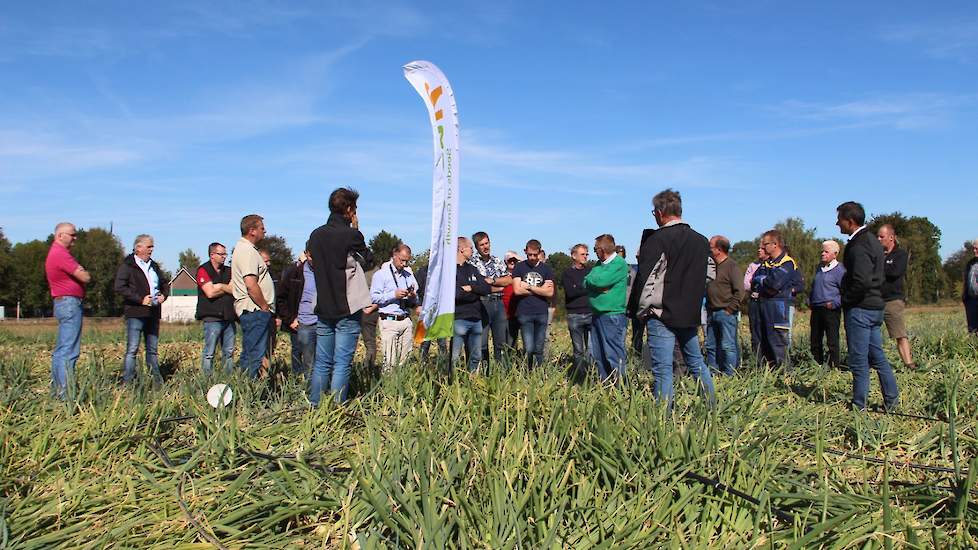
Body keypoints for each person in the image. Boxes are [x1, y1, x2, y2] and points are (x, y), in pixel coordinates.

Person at [628, 189, 715, 407]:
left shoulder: (658, 240)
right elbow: (710, 273)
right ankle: (711, 408)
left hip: (661, 314)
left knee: (663, 370)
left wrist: (642, 311)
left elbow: (646, 279)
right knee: (697, 363)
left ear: (659, 212)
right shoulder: (701, 240)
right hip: (689, 312)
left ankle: (663, 419)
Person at [307, 187, 374, 405]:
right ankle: (336, 408)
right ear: (348, 209)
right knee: (342, 362)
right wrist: (356, 228)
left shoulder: (315, 235)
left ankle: (316, 405)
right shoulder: (351, 235)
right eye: (354, 208)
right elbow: (369, 261)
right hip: (347, 305)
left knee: (322, 362)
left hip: (323, 304)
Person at [837, 201, 900, 411]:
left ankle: (858, 405)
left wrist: (846, 299)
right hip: (875, 306)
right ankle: (891, 401)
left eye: (840, 219)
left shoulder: (858, 245)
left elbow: (861, 280)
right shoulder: (873, 240)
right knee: (877, 356)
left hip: (861, 309)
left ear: (850, 221)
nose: (837, 223)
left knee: (859, 360)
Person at [114, 234, 169, 385]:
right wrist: (140, 299)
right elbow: (119, 287)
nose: (152, 249)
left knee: (152, 349)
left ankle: (156, 382)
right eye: (149, 246)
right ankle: (128, 382)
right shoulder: (128, 266)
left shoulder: (154, 266)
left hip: (153, 312)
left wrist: (164, 295)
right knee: (132, 349)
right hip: (136, 313)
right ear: (138, 247)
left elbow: (164, 283)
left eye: (152, 246)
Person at [45, 222, 91, 398]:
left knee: (61, 350)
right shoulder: (61, 254)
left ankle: (57, 392)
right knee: (69, 351)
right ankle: (66, 395)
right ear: (60, 235)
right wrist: (81, 271)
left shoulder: (56, 253)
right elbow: (85, 277)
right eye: (72, 235)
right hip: (70, 304)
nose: (75, 238)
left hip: (63, 302)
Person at [231, 216, 275, 378]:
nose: (265, 231)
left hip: (254, 310)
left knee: (253, 352)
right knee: (253, 356)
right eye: (262, 228)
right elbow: (250, 283)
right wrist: (264, 306)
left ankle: (247, 390)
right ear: (252, 231)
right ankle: (249, 392)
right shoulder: (247, 251)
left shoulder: (247, 250)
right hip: (254, 309)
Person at [585, 234, 630, 385]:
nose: (594, 252)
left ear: (602, 250)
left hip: (612, 316)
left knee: (613, 353)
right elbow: (586, 281)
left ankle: (619, 387)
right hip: (597, 315)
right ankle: (605, 385)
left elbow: (599, 280)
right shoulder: (599, 264)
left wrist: (594, 284)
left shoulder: (619, 264)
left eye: (595, 249)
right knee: (599, 354)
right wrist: (595, 286)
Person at [752, 230, 798, 369]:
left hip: (778, 309)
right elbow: (754, 281)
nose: (763, 247)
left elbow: (774, 284)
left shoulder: (787, 263)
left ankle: (785, 379)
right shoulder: (766, 264)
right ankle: (766, 378)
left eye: (765, 244)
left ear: (775, 244)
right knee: (763, 344)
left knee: (778, 344)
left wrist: (764, 282)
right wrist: (764, 281)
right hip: (763, 306)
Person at [370, 243, 419, 371]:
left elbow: (415, 296)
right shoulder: (381, 274)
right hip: (389, 320)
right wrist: (394, 295)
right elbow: (374, 297)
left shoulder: (408, 275)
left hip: (405, 319)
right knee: (390, 362)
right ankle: (388, 388)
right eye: (402, 260)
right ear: (394, 255)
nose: (404, 264)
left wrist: (412, 295)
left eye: (407, 261)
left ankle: (401, 385)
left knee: (405, 360)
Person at [877, 225, 918, 370]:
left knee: (899, 334)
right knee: (871, 334)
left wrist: (879, 269)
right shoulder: (878, 255)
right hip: (876, 300)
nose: (879, 239)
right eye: (878, 236)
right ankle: (872, 363)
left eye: (881, 236)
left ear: (891, 237)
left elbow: (895, 272)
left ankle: (908, 364)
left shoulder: (900, 254)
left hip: (892, 301)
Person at [469, 232, 512, 369]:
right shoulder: (472, 263)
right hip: (482, 303)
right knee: (482, 344)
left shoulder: (497, 260)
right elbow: (478, 286)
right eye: (482, 245)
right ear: (477, 247)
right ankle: (485, 373)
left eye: (487, 243)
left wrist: (493, 280)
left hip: (498, 304)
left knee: (501, 343)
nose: (485, 247)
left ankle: (502, 373)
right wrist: (496, 287)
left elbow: (508, 280)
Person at [512, 240, 556, 369]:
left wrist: (530, 287)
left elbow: (550, 293)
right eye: (529, 254)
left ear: (539, 253)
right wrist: (540, 289)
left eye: (535, 255)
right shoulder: (519, 267)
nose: (532, 258)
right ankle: (528, 371)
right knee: (529, 347)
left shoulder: (546, 269)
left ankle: (539, 373)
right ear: (525, 251)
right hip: (525, 312)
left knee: (539, 347)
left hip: (541, 312)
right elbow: (517, 290)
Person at [704, 235, 744, 376]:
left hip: (725, 312)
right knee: (711, 346)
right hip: (711, 311)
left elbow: (740, 291)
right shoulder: (711, 266)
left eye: (711, 246)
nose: (709, 249)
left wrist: (729, 309)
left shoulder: (731, 266)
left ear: (719, 249)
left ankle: (729, 374)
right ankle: (713, 372)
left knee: (728, 346)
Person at [196, 242, 236, 375]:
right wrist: (226, 288)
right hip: (212, 317)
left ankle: (228, 378)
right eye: (221, 254)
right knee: (209, 352)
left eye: (225, 254)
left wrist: (219, 286)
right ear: (212, 255)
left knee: (229, 352)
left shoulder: (229, 271)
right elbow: (210, 293)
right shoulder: (203, 270)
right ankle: (207, 379)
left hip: (229, 317)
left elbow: (234, 289)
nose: (224, 257)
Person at [276, 247, 317, 377]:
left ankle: (322, 390)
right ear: (305, 254)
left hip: (322, 322)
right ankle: (305, 389)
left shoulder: (326, 273)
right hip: (303, 323)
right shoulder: (294, 273)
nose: (314, 260)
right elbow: (281, 298)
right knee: (305, 359)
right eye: (311, 256)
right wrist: (290, 319)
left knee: (322, 361)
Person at [453, 237, 491, 372]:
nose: (473, 251)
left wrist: (470, 288)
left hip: (476, 318)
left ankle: (473, 381)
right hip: (459, 319)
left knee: (476, 356)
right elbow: (455, 294)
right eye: (471, 248)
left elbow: (486, 288)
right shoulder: (450, 271)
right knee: (455, 357)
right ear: (462, 249)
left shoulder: (473, 269)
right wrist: (475, 290)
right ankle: (452, 384)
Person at [809, 240, 845, 370]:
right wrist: (811, 301)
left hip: (831, 310)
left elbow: (845, 291)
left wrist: (835, 303)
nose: (822, 253)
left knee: (832, 340)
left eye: (826, 251)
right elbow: (814, 287)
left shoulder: (840, 270)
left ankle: (834, 366)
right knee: (815, 340)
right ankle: (816, 365)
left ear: (835, 254)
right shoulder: (819, 268)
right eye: (822, 251)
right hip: (817, 309)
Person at [561, 244, 592, 381]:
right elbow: (571, 291)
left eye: (586, 254)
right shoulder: (567, 273)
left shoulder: (591, 271)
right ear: (574, 256)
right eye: (582, 254)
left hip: (591, 313)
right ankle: (580, 378)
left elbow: (593, 288)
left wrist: (579, 286)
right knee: (578, 350)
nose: (585, 256)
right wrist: (586, 287)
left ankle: (591, 375)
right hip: (575, 315)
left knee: (591, 349)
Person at [744, 244, 768, 364]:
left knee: (768, 333)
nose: (759, 250)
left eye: (762, 248)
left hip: (767, 303)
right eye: (758, 248)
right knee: (755, 334)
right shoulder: (753, 266)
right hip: (754, 302)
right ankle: (757, 362)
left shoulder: (774, 265)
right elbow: (746, 284)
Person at [502, 251, 522, 350]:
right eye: (510, 260)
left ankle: (518, 362)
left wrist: (518, 257)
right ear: (505, 261)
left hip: (519, 311)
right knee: (508, 343)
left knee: (517, 341)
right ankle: (508, 363)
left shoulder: (521, 274)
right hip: (506, 313)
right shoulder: (501, 274)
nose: (513, 262)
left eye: (515, 260)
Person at [965, 239, 978, 334]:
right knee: (973, 330)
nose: (974, 251)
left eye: (977, 249)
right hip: (971, 300)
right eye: (973, 248)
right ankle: (973, 348)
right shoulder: (971, 263)